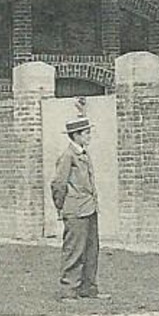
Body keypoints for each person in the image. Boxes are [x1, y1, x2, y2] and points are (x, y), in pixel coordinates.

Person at [51, 114, 107, 299]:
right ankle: (69, 290)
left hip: (89, 208)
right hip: (75, 211)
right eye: (86, 133)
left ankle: (88, 288)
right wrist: (62, 207)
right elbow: (58, 184)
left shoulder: (83, 153)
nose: (89, 136)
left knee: (92, 250)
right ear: (76, 135)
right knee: (74, 251)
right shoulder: (68, 156)